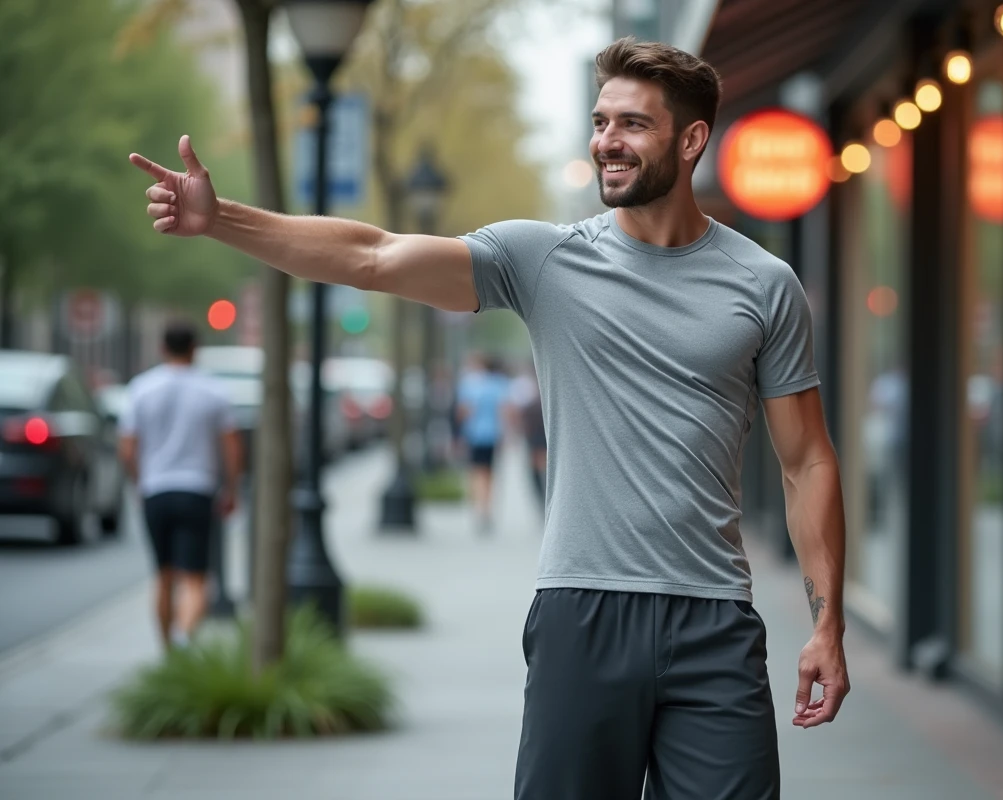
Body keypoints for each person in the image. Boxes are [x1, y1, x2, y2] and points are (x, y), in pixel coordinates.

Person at [130, 36, 848, 799]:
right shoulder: (544, 261)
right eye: (601, 121)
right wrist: (222, 218)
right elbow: (373, 255)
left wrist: (828, 625)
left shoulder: (764, 284)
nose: (607, 140)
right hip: (583, 614)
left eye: (633, 124)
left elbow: (807, 462)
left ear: (692, 138)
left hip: (716, 624)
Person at [118, 321, 241, 650]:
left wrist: (138, 482)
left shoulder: (141, 388)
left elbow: (128, 448)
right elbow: (230, 446)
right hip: (197, 489)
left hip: (155, 489)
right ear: (194, 348)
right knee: (196, 579)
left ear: (162, 348)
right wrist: (231, 488)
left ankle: (168, 651)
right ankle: (185, 635)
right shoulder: (213, 390)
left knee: (163, 575)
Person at [454, 353, 511, 532]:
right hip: (493, 435)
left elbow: (463, 412)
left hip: (474, 435)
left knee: (475, 472)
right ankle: (486, 508)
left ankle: (478, 507)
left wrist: (459, 435)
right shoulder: (499, 384)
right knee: (489, 474)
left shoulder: (469, 384)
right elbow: (505, 410)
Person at [506, 361, 547, 507]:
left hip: (539, 432)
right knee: (537, 465)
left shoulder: (525, 386)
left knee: (539, 465)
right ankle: (542, 496)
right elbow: (513, 411)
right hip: (535, 432)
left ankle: (543, 495)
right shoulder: (523, 386)